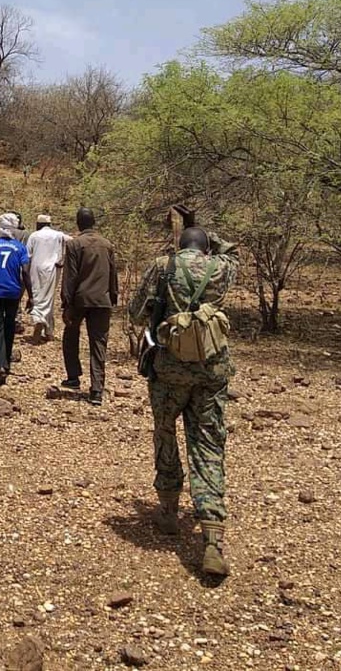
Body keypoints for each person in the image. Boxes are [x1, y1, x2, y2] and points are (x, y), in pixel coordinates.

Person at [129, 225, 239, 577]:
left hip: (169, 370)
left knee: (165, 433)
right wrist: (211, 237)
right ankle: (211, 538)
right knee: (208, 444)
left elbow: (134, 313)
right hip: (211, 370)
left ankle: (168, 509)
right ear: (207, 247)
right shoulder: (222, 268)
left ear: (180, 244)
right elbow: (232, 252)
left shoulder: (163, 266)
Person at [60, 208, 118, 405]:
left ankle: (74, 377)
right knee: (98, 343)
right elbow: (113, 274)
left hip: (79, 300)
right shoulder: (107, 245)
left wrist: (66, 303)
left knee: (70, 336)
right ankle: (96, 390)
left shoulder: (74, 244)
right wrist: (114, 296)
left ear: (78, 223)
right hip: (102, 300)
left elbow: (70, 276)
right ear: (94, 223)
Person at [0, 213, 33, 383]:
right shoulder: (20, 248)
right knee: (9, 326)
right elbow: (25, 271)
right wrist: (31, 296)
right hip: (13, 292)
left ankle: (0, 363)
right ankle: (7, 362)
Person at [26, 214, 70, 342]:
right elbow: (72, 241)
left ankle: (39, 326)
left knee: (38, 295)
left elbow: (28, 255)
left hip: (36, 268)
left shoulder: (34, 236)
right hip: (53, 269)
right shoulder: (58, 235)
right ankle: (48, 330)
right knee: (49, 297)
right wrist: (63, 257)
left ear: (39, 224)